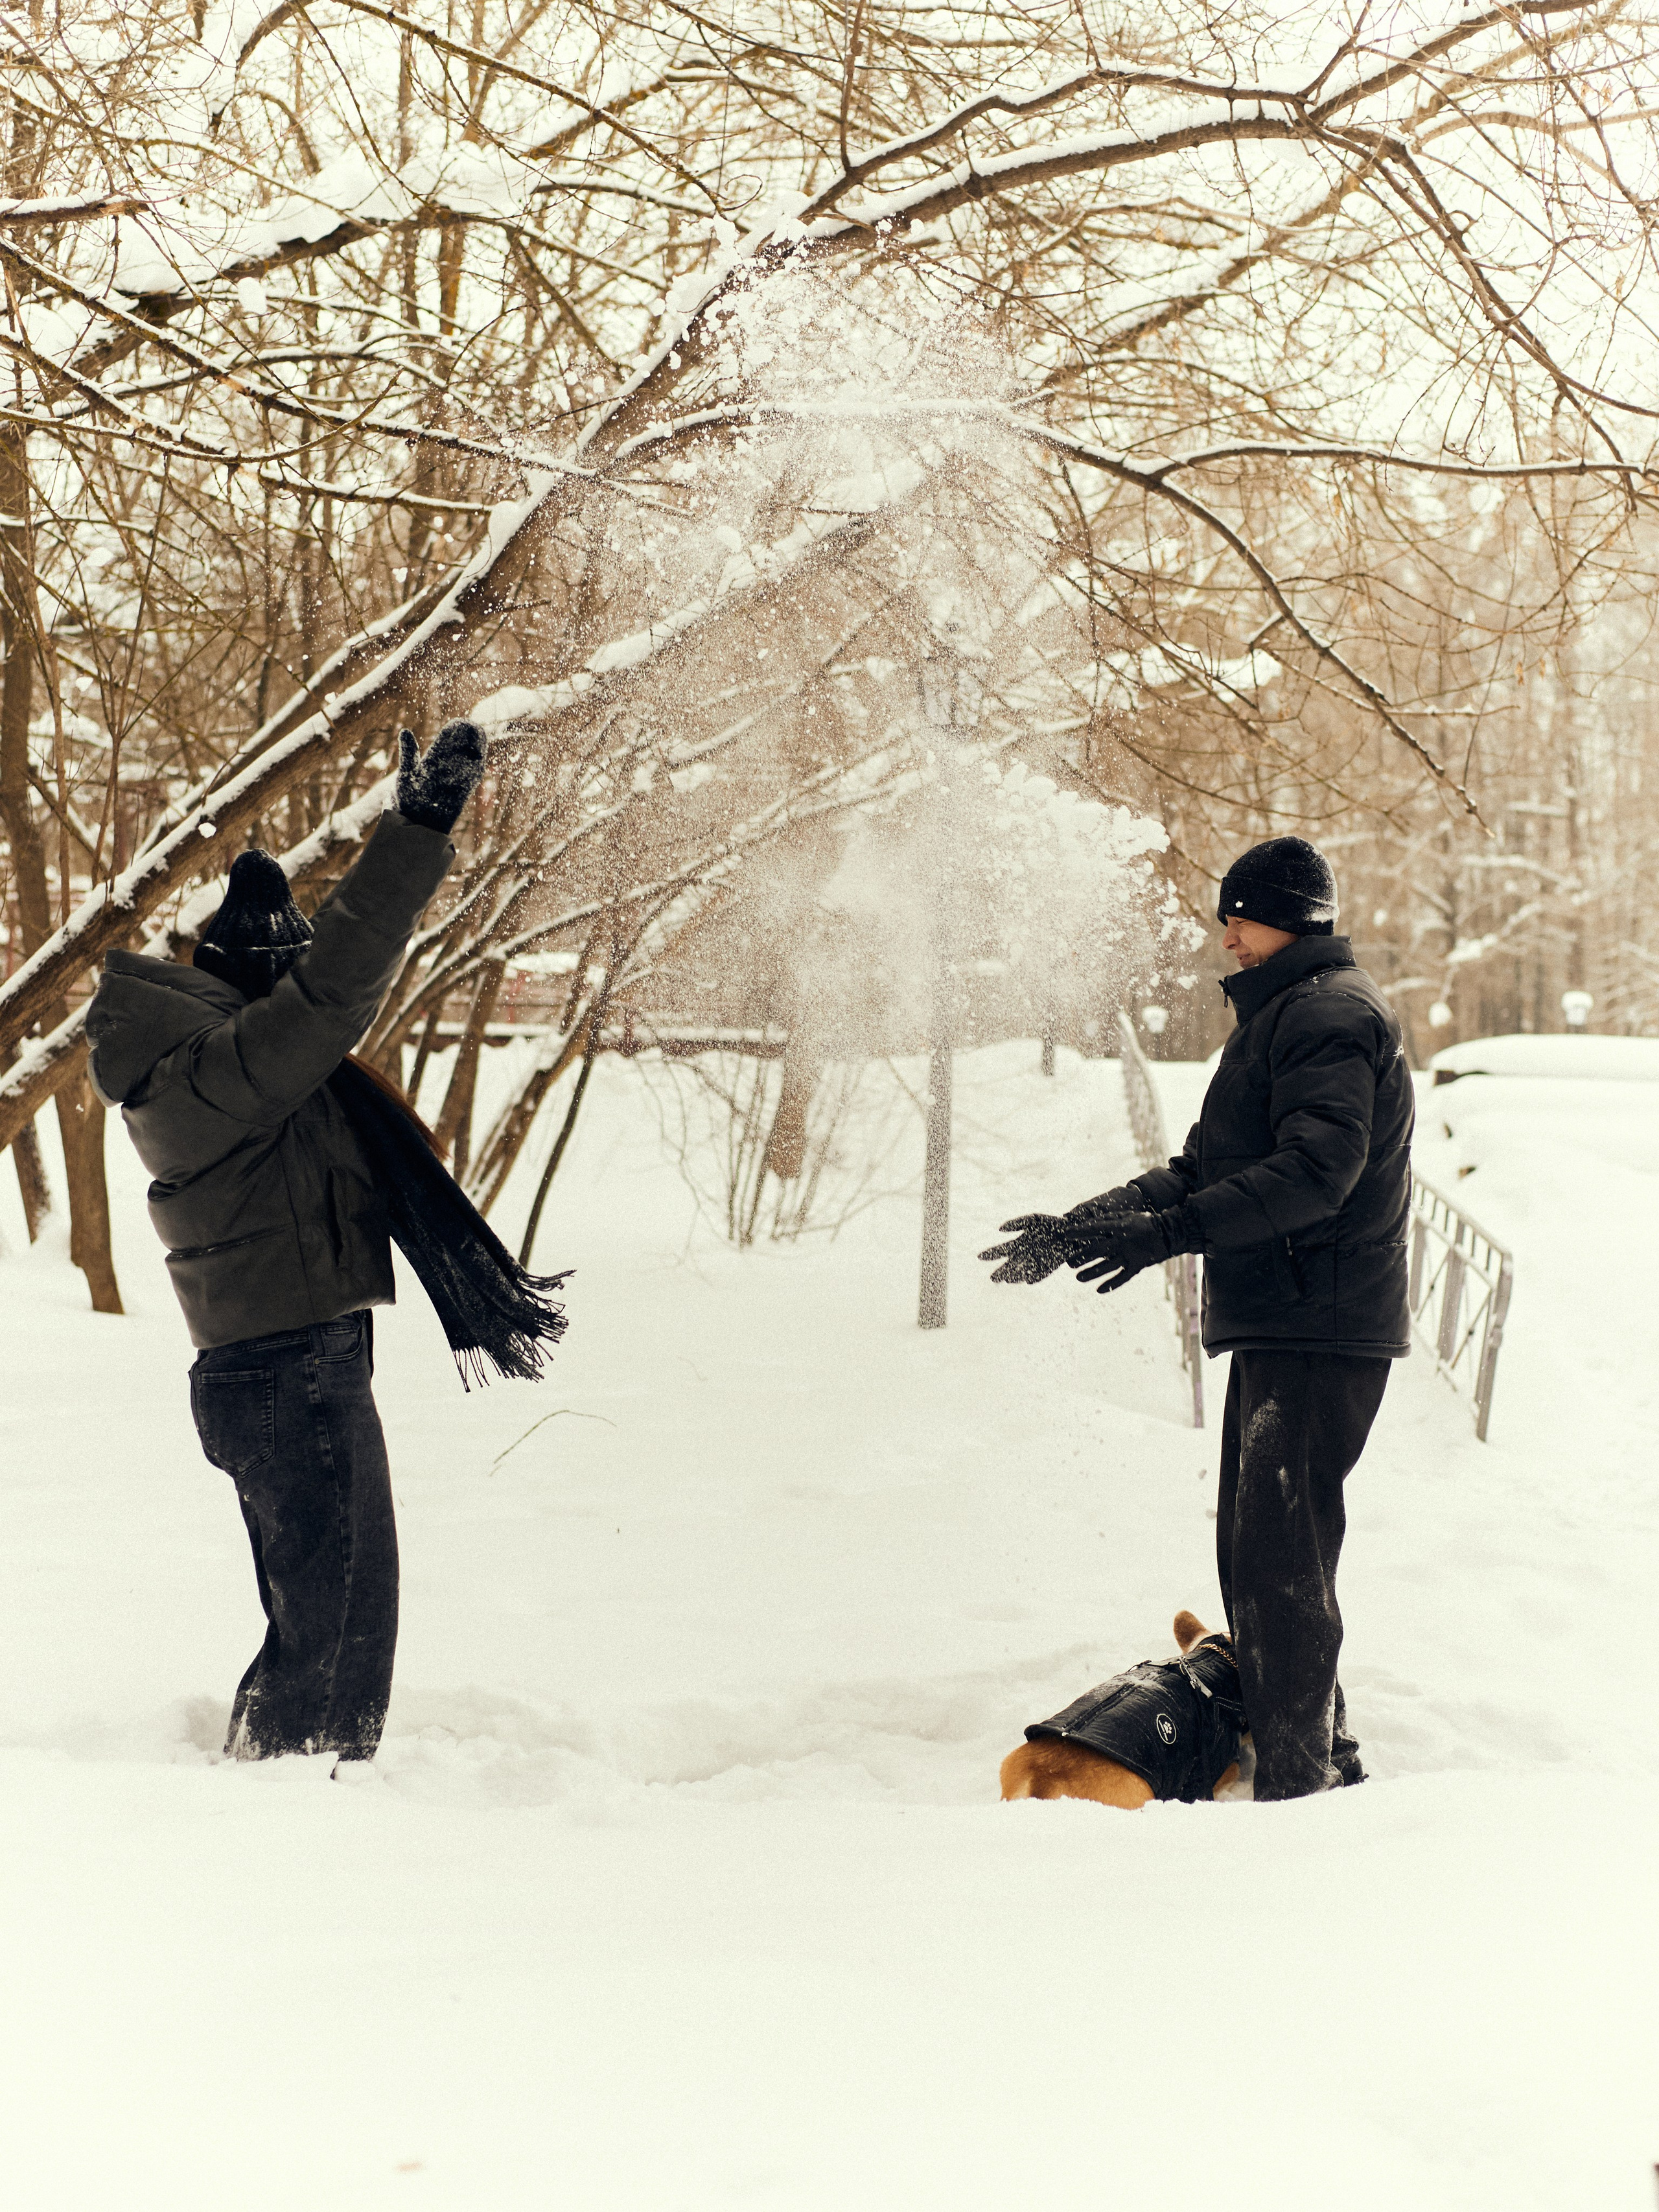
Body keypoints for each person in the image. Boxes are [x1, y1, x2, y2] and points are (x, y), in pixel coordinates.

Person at [87, 721, 566, 1765]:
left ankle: (279, 1795)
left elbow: (336, 1001)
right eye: (291, 987)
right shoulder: (216, 1072)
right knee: (339, 1639)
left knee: (325, 1626)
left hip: (286, 1364)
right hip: (287, 1370)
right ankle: (301, 1821)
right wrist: (415, 833)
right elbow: (335, 990)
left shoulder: (218, 1063)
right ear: (264, 985)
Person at [981, 836, 1414, 1800]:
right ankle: (1318, 1753)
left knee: (1279, 1565)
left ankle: (1302, 1788)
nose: (1228, 934)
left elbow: (1317, 1173)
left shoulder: (1329, 1019)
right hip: (1294, 1319)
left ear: (1293, 918)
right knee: (1265, 1554)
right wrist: (1089, 1223)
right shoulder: (1282, 1021)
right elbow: (1204, 1169)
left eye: (1243, 916)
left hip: (1319, 1322)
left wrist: (1172, 1233)